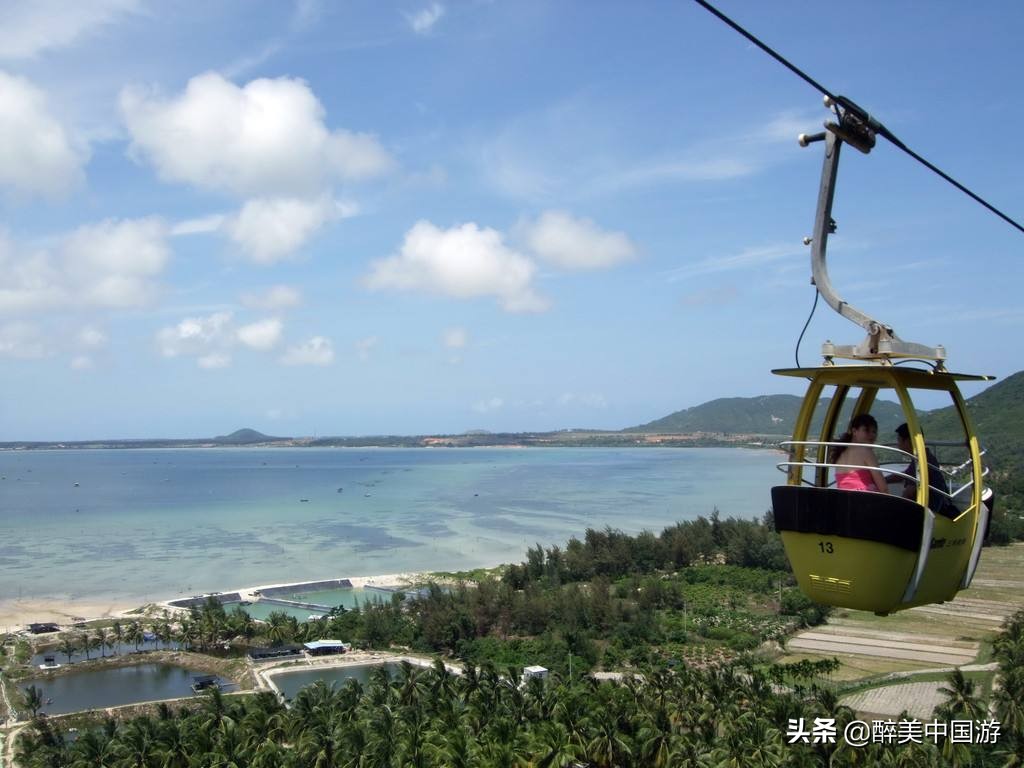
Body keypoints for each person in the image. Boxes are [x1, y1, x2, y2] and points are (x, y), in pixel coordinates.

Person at [889, 422, 952, 512]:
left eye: (899, 440)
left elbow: (908, 493)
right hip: (939, 505)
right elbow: (904, 475)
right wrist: (884, 479)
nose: (898, 444)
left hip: (931, 511)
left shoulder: (920, 462)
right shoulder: (925, 456)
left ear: (907, 441)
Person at [830, 414, 889, 494]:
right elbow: (883, 488)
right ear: (854, 431)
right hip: (865, 500)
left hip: (844, 500)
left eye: (874, 431)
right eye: (866, 430)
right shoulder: (866, 451)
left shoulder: (840, 453)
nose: (871, 435)